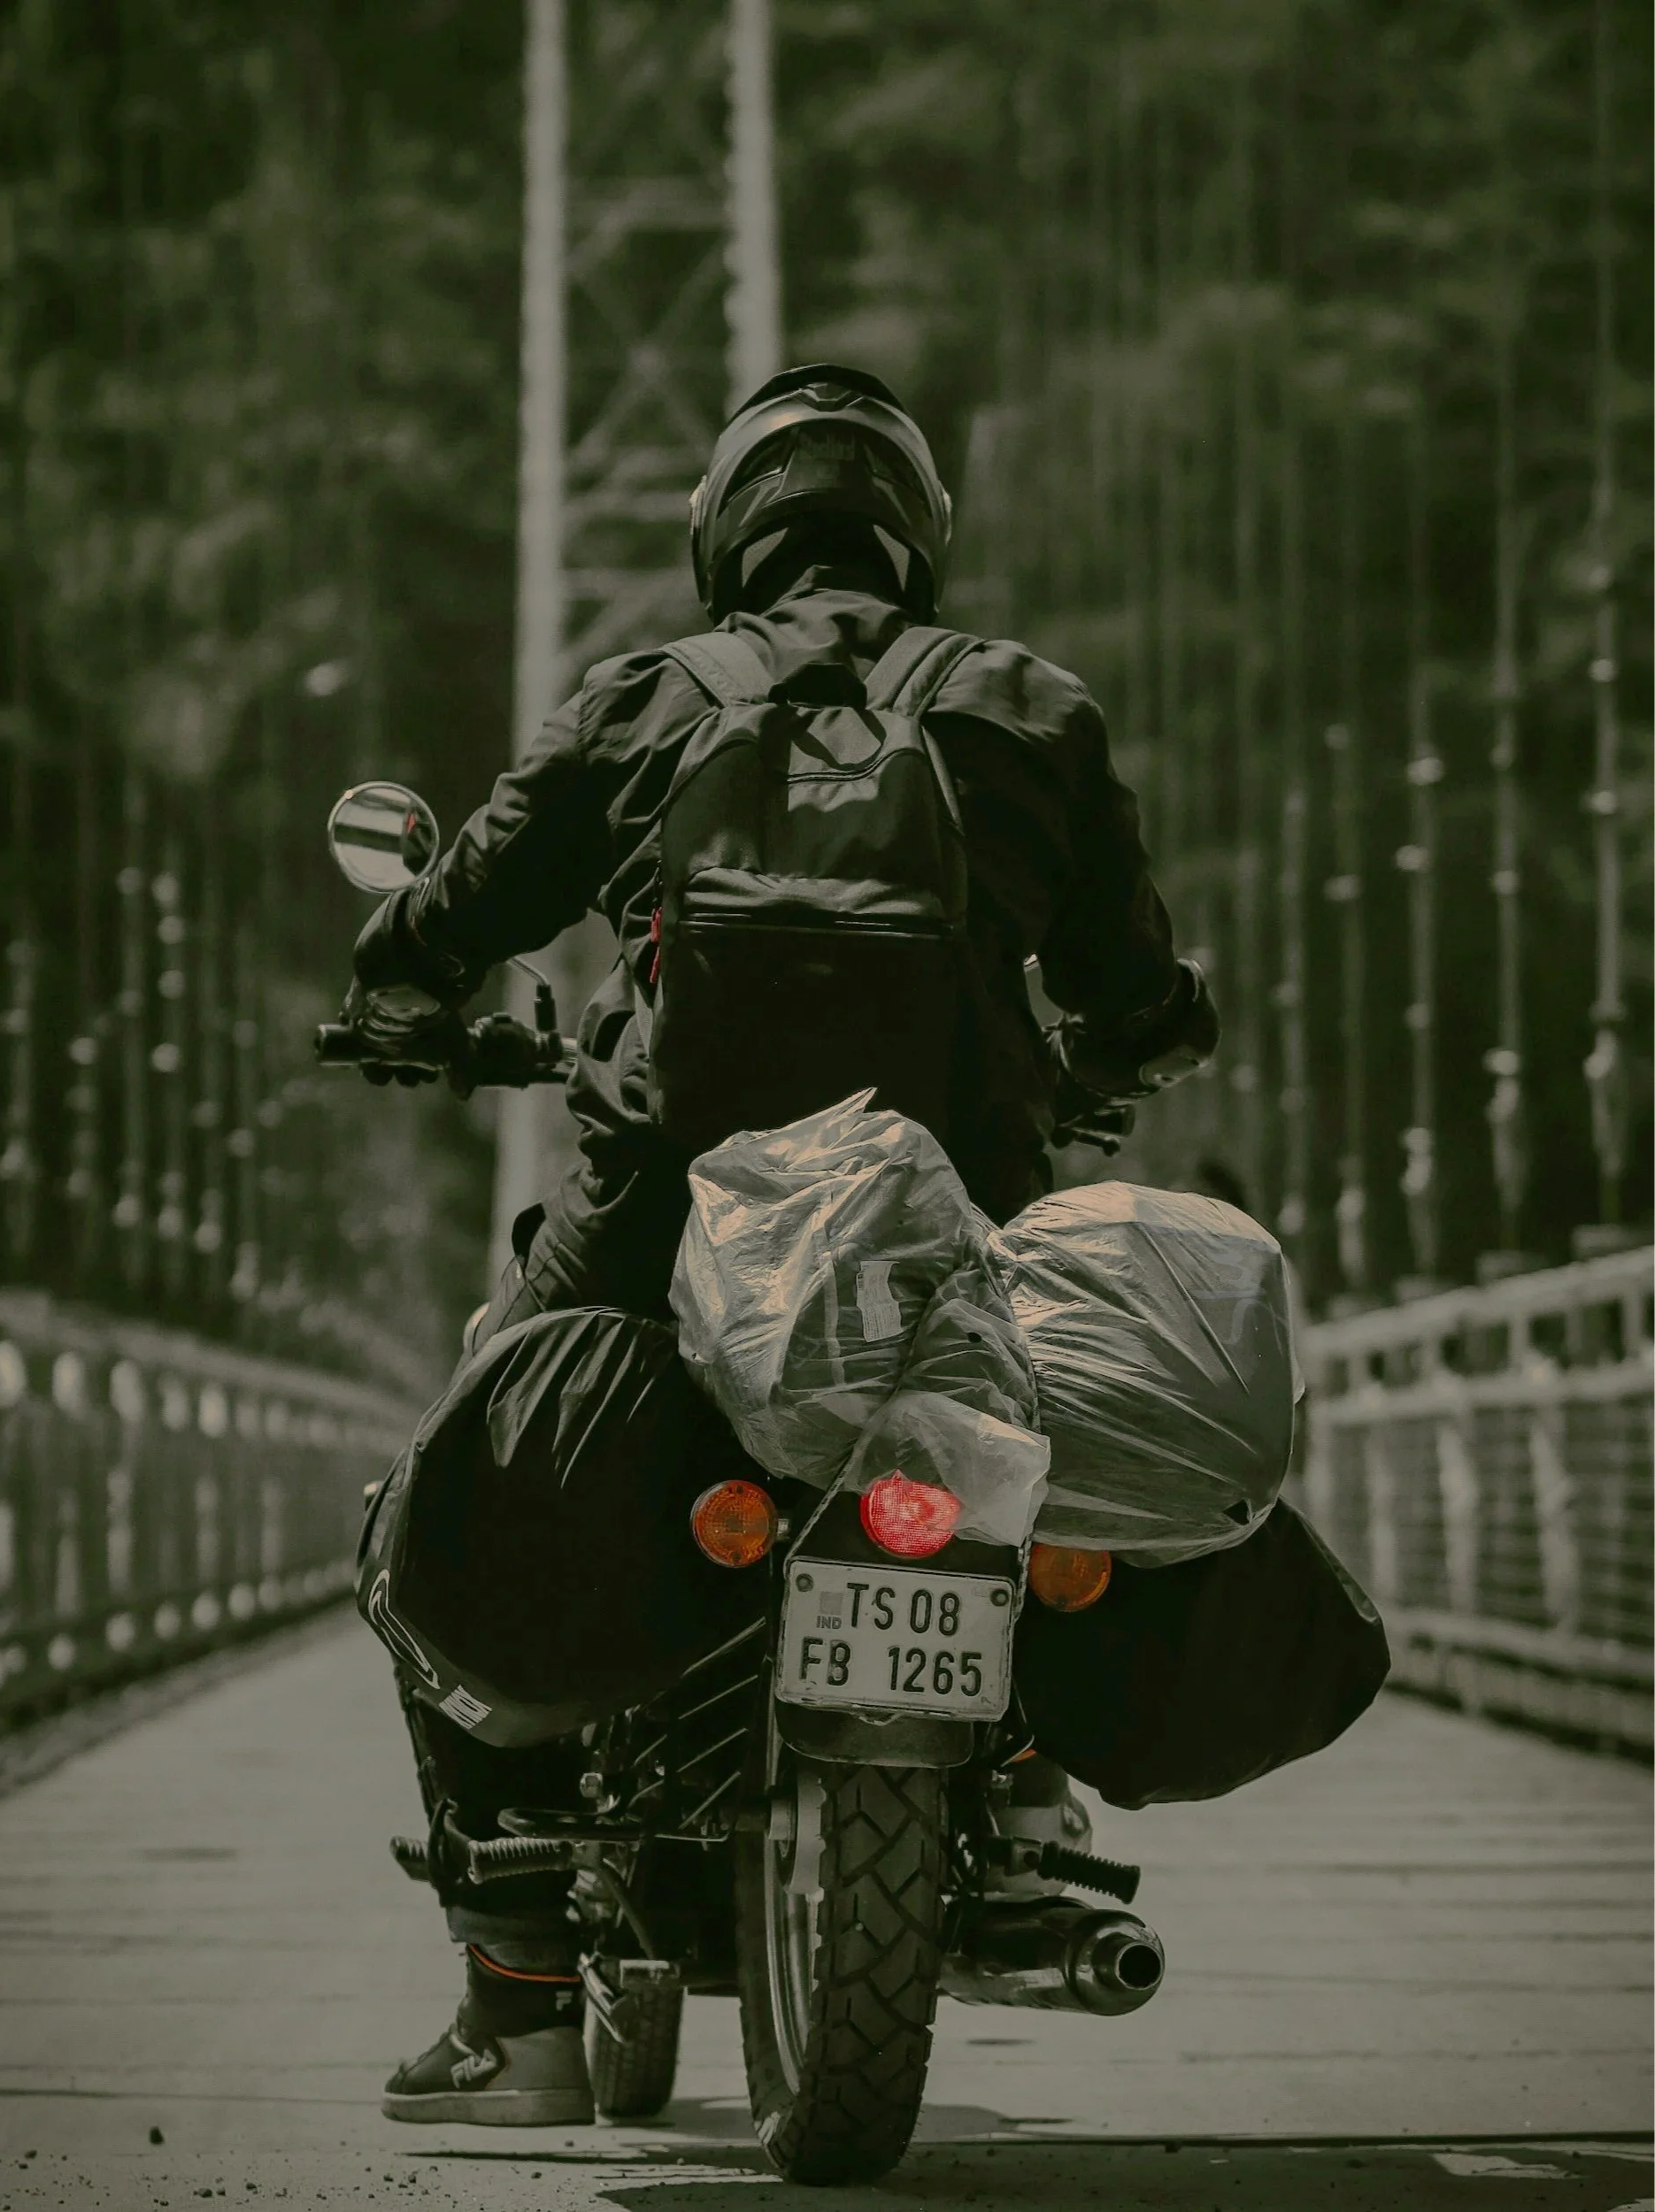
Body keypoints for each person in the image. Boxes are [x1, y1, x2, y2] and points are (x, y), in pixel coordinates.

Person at [340, 364, 1219, 2125]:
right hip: (949, 1219)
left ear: (725, 534)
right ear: (918, 536)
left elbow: (471, 897)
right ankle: (1024, 1776)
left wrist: (403, 986)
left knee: (459, 1475)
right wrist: (1112, 1054)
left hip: (666, 1212)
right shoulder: (1024, 706)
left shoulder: (652, 698)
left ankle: (519, 2008)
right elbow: (1135, 988)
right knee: (1041, 1440)